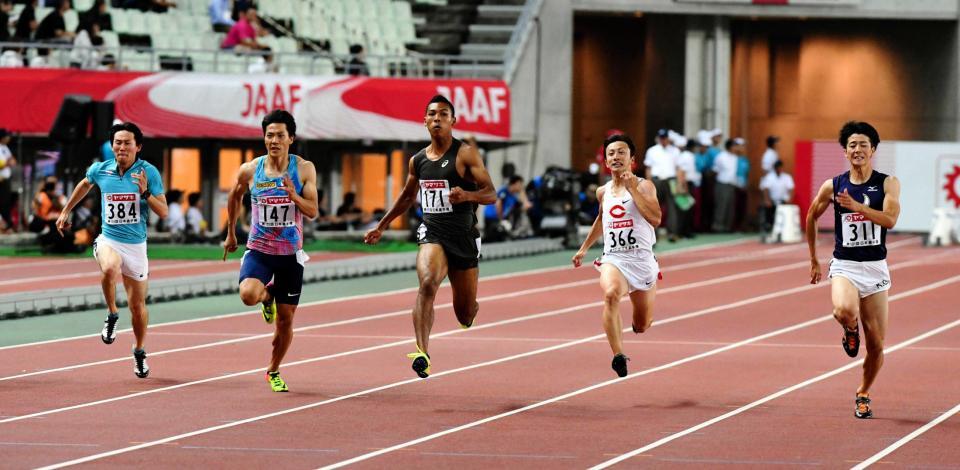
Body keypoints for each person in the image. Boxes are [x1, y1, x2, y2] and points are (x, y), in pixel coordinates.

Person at [363, 94, 496, 379]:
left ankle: (469, 310)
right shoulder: (418, 160)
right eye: (432, 114)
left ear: (453, 121)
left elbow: (491, 193)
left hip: (463, 236)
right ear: (424, 121)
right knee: (427, 284)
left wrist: (468, 195)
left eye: (443, 114)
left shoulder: (466, 154)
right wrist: (382, 225)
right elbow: (407, 197)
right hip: (433, 232)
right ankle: (422, 351)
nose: (437, 119)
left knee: (465, 312)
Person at [56, 122, 168, 378]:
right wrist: (66, 210)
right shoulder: (101, 169)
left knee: (138, 307)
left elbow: (163, 211)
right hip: (109, 240)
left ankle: (139, 351)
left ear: (138, 147)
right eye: (117, 142)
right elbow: (85, 183)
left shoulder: (148, 172)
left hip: (136, 246)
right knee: (109, 267)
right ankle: (112, 313)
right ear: (112, 146)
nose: (122, 147)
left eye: (127, 143)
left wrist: (146, 192)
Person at [805, 121, 900, 419]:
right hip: (845, 264)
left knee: (877, 345)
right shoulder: (833, 185)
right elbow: (811, 216)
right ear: (845, 152)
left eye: (863, 144)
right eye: (852, 145)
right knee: (843, 310)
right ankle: (849, 328)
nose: (857, 149)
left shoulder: (887, 183)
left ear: (873, 150)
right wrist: (813, 258)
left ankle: (863, 392)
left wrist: (858, 207)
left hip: (875, 268)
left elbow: (889, 220)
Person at [222, 109, 319, 392]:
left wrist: (294, 196)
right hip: (259, 250)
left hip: (290, 255)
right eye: (269, 135)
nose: (273, 140)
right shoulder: (251, 169)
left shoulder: (303, 169)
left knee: (285, 321)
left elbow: (312, 211)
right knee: (247, 294)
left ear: (291, 138)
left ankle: (273, 369)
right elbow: (235, 194)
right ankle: (267, 297)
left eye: (279, 135)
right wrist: (230, 232)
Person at [572, 133, 661, 378]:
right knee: (611, 294)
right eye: (611, 153)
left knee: (642, 325)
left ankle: (637, 323)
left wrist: (633, 189)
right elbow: (602, 218)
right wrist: (584, 248)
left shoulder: (644, 185)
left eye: (621, 152)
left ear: (632, 158)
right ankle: (618, 355)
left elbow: (655, 218)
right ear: (606, 161)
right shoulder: (603, 191)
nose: (616, 156)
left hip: (642, 261)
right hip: (615, 258)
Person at [643, 128, 681, 241]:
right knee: (654, 207)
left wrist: (679, 183)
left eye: (665, 138)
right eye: (661, 138)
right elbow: (648, 168)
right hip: (656, 180)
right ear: (658, 138)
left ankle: (672, 233)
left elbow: (678, 168)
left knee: (672, 206)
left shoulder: (675, 151)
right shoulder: (652, 150)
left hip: (671, 180)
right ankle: (654, 234)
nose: (663, 140)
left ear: (668, 138)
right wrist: (648, 183)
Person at [759, 160, 794, 232]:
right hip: (772, 200)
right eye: (777, 168)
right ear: (775, 168)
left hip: (783, 200)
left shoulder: (787, 177)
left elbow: (791, 189)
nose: (779, 169)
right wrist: (767, 200)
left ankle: (784, 228)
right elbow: (765, 189)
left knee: (784, 209)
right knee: (767, 207)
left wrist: (789, 199)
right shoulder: (769, 177)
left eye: (780, 168)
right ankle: (768, 225)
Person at [0, 128, 16, 231]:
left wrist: (6, 163)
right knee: (2, 202)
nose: (8, 138)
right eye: (7, 136)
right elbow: (3, 163)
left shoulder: (5, 147)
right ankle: (5, 225)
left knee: (6, 202)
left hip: (5, 179)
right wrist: (6, 163)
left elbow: (12, 160)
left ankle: (7, 225)